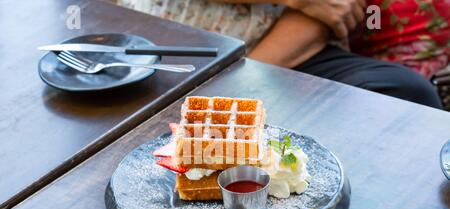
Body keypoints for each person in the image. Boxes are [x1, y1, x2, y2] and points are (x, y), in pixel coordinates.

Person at [116, 0, 443, 108]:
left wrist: (241, 89)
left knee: (404, 94)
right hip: (161, 37)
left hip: (283, 52)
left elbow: (334, 7)